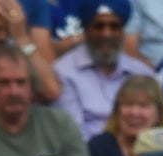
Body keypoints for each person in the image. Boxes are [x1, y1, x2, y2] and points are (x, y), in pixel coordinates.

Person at [54, 0, 156, 139]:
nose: (106, 34)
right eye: (99, 26)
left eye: (114, 27)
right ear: (86, 30)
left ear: (122, 31)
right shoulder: (64, 72)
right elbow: (74, 137)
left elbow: (156, 125)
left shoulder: (142, 73)